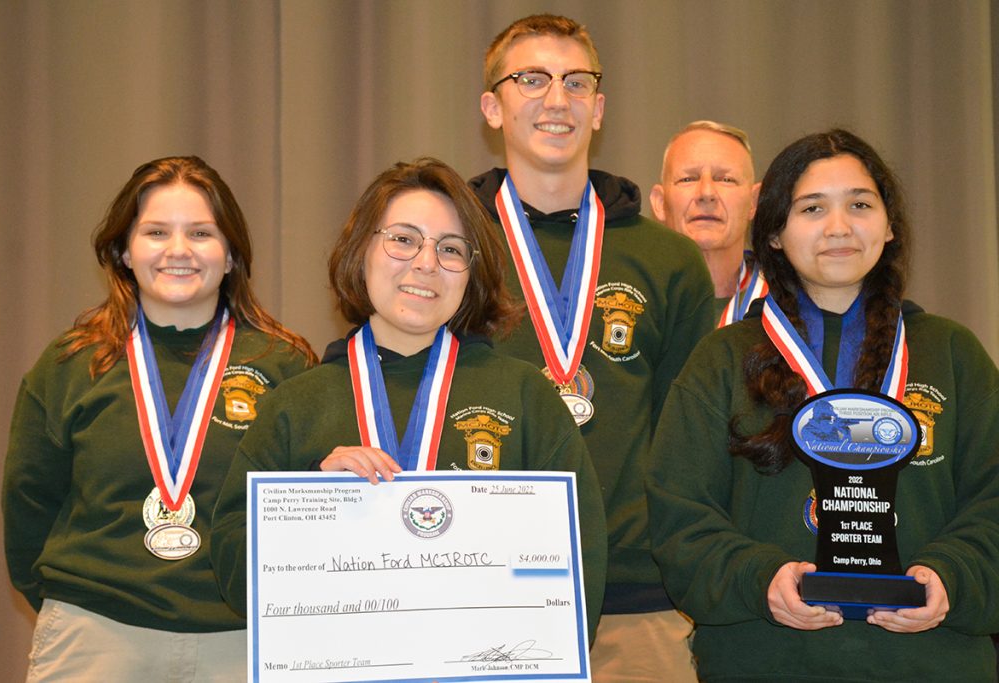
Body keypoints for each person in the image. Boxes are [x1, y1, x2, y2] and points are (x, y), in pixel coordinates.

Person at [647, 129, 999, 680]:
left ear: (889, 226)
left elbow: (992, 501)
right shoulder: (720, 360)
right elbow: (679, 515)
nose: (839, 227)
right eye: (812, 208)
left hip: (933, 663)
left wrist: (953, 575)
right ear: (775, 235)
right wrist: (759, 578)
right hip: (767, 661)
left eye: (860, 204)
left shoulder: (952, 355)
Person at [210, 157, 608, 635]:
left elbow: (580, 566)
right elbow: (235, 573)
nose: (425, 263)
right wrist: (309, 498)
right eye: (402, 239)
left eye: (451, 249)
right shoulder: (295, 405)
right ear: (362, 252)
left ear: (470, 272)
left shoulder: (525, 397)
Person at [2, 156, 316, 682]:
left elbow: (309, 511)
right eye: (155, 232)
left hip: (243, 639)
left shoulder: (284, 366)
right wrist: (78, 608)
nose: (178, 250)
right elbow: (27, 504)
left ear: (232, 254)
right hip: (97, 634)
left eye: (200, 233)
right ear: (124, 250)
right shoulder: (72, 364)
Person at [470, 14, 713, 681]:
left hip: (638, 603)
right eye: (532, 80)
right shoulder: (450, 252)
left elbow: (691, 437)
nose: (557, 99)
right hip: (479, 592)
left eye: (577, 82)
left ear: (599, 108)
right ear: (492, 106)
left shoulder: (668, 258)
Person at [651, 120, 766, 327]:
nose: (706, 193)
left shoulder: (789, 307)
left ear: (754, 202)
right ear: (659, 203)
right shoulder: (630, 302)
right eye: (688, 179)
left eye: (725, 179)